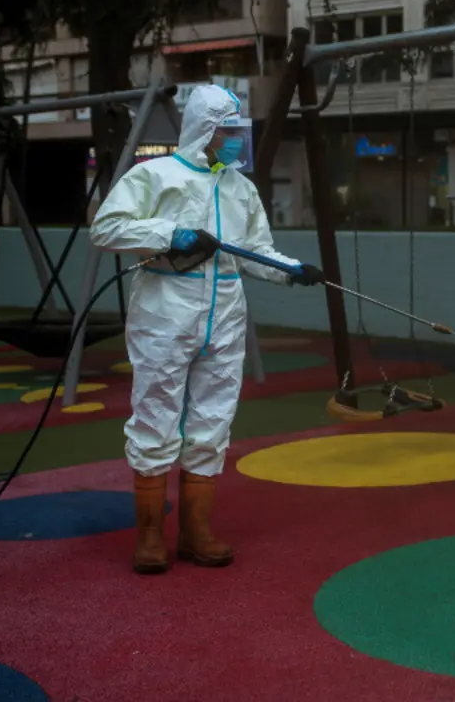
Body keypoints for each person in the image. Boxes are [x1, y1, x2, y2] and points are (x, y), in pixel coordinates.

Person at [90, 84, 325, 574]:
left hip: (224, 313)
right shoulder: (155, 175)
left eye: (238, 130)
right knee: (155, 417)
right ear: (204, 127)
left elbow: (256, 251)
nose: (235, 139)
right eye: (228, 130)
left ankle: (196, 534)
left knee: (213, 421)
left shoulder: (240, 188)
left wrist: (291, 270)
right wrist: (168, 233)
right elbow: (106, 227)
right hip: (165, 312)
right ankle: (151, 538)